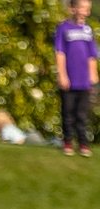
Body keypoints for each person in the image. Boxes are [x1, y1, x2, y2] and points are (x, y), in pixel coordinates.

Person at [55, 0, 98, 157]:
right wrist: (62, 74)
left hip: (84, 81)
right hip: (69, 80)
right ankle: (67, 142)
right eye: (82, 8)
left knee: (82, 114)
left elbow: (92, 55)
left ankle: (83, 144)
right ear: (72, 9)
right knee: (68, 112)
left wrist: (93, 75)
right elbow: (60, 53)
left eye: (87, 9)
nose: (85, 12)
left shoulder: (88, 30)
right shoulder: (63, 28)